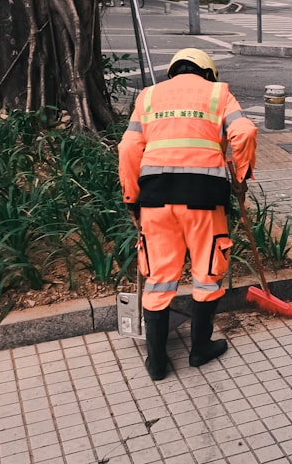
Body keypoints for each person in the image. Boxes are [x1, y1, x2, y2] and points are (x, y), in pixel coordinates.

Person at [118, 48, 258, 381]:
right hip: (203, 200)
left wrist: (131, 199)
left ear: (173, 71)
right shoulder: (218, 93)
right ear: (208, 72)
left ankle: (156, 362)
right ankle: (199, 350)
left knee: (159, 277)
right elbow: (245, 133)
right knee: (207, 273)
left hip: (155, 200)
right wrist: (240, 177)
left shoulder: (149, 96)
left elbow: (127, 148)